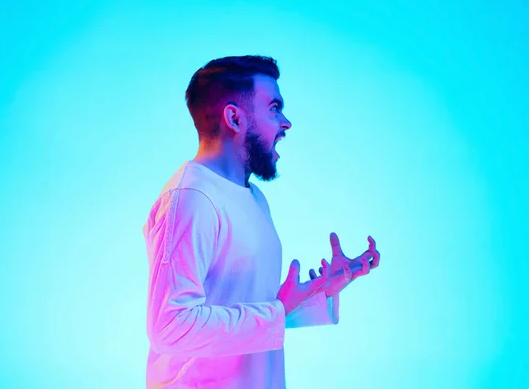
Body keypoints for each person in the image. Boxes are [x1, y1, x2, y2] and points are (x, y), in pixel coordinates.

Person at [142, 55, 381, 388]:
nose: (286, 123)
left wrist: (318, 293)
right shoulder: (190, 198)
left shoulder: (253, 197)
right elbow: (171, 327)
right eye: (274, 108)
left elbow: (250, 312)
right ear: (234, 118)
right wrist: (276, 312)